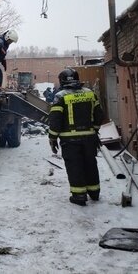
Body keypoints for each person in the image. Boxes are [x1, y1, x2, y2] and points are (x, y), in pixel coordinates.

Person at [48, 68, 104, 206]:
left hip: (70, 140)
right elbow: (99, 115)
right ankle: (94, 192)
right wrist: (94, 130)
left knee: (75, 166)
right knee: (90, 164)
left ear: (61, 81)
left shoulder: (60, 96)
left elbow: (55, 120)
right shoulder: (90, 93)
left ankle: (79, 196)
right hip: (89, 138)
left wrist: (53, 138)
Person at [0, 29, 18, 97]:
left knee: (0, 74)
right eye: (10, 41)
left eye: (11, 41)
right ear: (7, 37)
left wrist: (3, 60)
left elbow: (1, 54)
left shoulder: (5, 44)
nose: (10, 42)